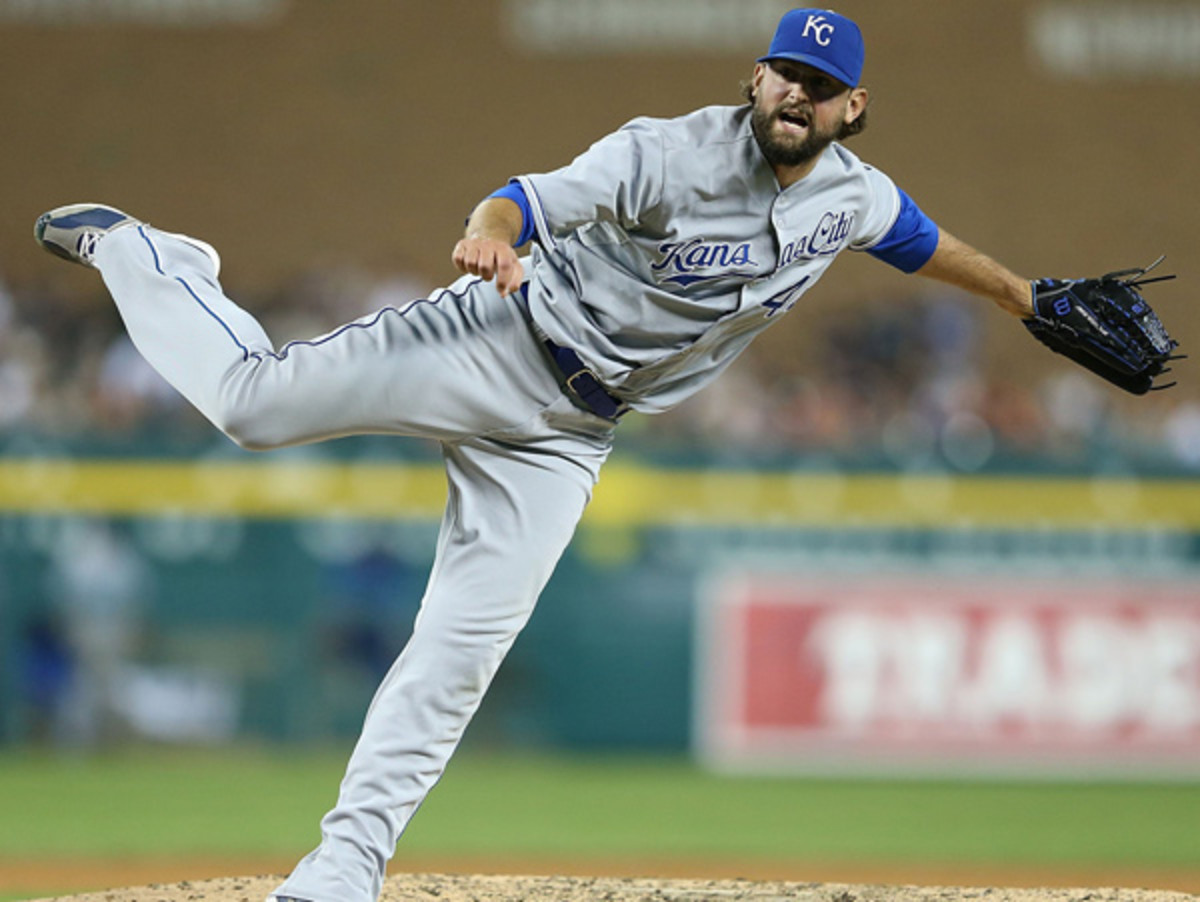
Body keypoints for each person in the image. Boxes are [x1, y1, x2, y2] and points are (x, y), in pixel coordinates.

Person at [34, 9, 1037, 902]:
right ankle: (152, 256)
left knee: (462, 649)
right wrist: (488, 234)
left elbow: (917, 240)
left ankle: (343, 868)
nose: (797, 93)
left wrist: (1024, 297)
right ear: (756, 76)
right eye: (786, 72)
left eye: (820, 84)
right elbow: (521, 199)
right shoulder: (668, 154)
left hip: (569, 435)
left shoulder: (852, 198)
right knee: (253, 406)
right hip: (496, 336)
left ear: (852, 107)